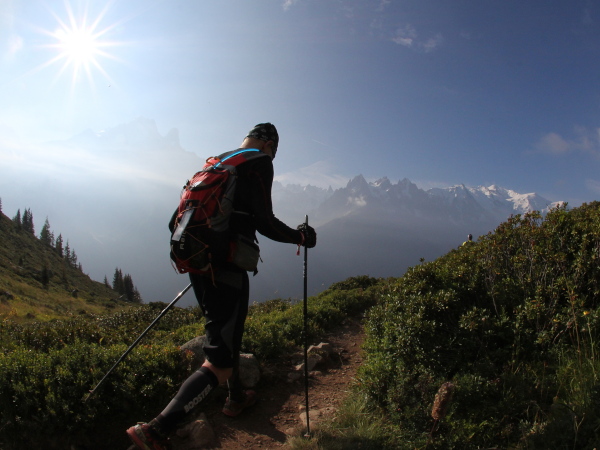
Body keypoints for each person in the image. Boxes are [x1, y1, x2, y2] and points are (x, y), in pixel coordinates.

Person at [126, 123, 317, 450]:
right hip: (227, 268)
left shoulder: (217, 163)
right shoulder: (259, 162)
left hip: (198, 263)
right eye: (275, 151)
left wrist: (205, 253)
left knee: (227, 335)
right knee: (219, 360)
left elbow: (173, 221)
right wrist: (300, 237)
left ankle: (236, 397)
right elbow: (264, 221)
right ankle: (156, 430)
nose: (273, 156)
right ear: (269, 145)